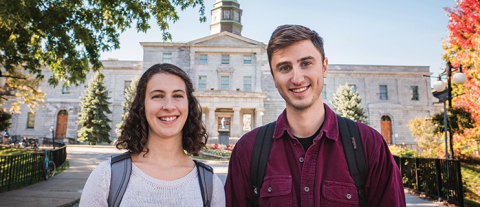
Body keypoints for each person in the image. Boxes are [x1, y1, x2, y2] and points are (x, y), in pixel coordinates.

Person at [225, 25, 406, 206]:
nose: (297, 78)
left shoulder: (369, 145)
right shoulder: (247, 151)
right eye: (285, 67)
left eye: (306, 63)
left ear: (324, 68)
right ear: (274, 77)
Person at [80, 63, 225, 206]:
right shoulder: (107, 176)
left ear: (189, 105)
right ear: (142, 106)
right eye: (157, 96)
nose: (169, 106)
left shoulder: (210, 184)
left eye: (178, 95)